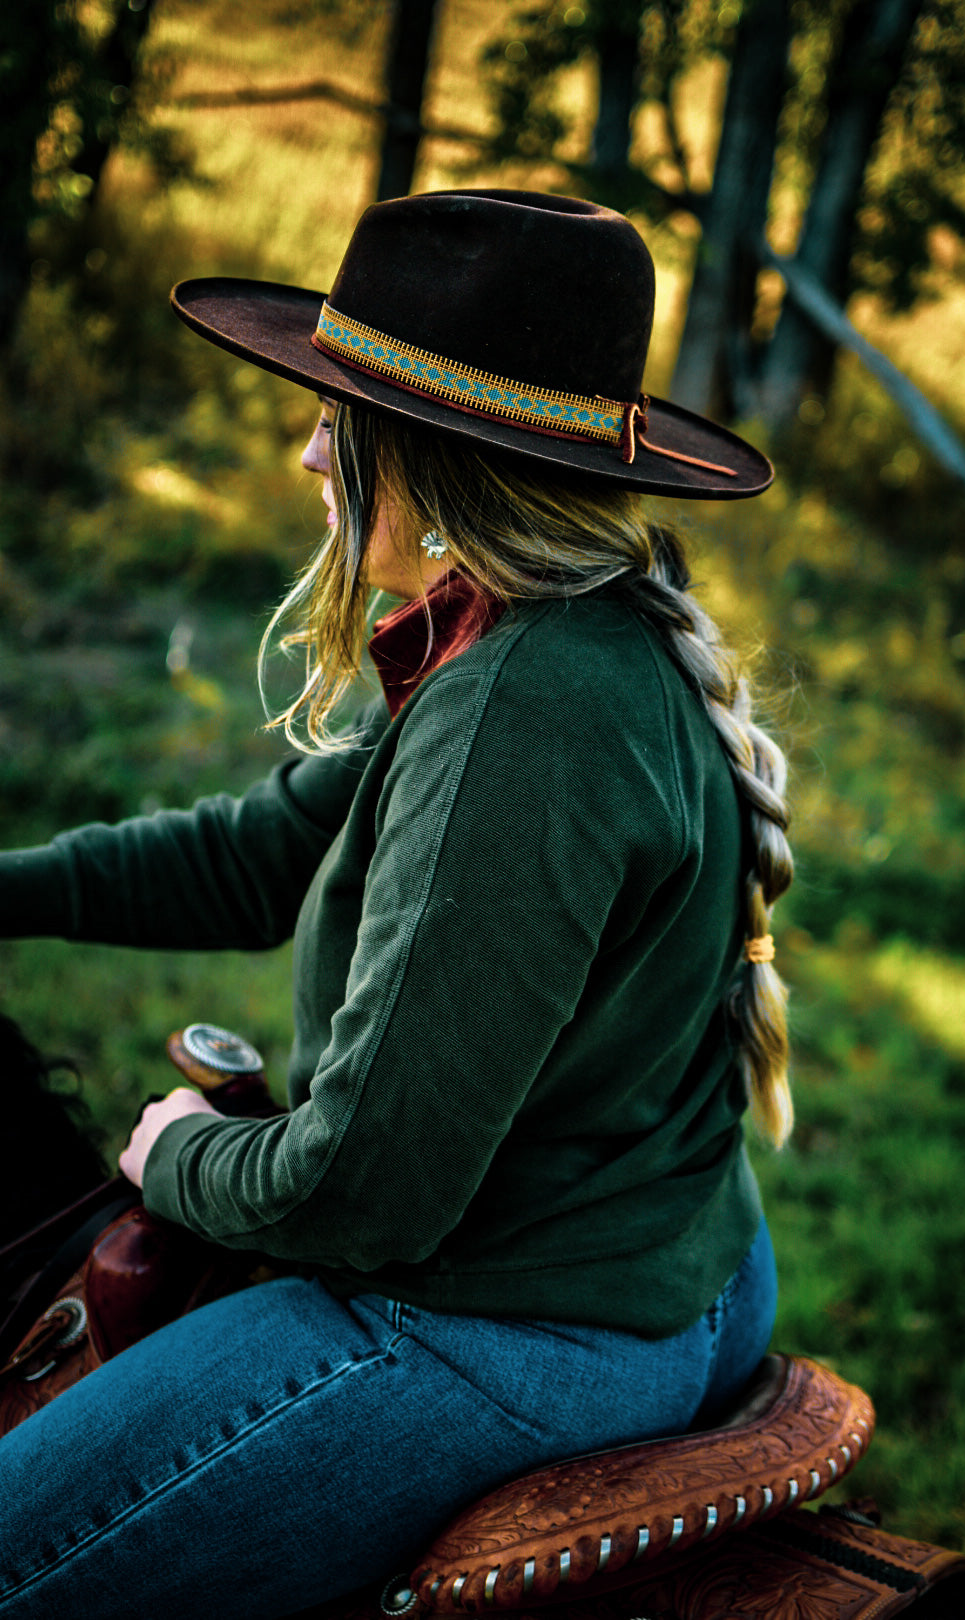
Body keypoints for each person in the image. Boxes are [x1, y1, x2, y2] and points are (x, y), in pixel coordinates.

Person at [0, 190, 793, 1620]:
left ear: (430, 458)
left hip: (510, 1327)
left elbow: (364, 1187)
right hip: (680, 1261)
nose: (309, 448)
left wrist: (174, 1154)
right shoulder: (550, 626)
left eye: (340, 421)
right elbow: (260, 854)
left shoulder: (521, 717)